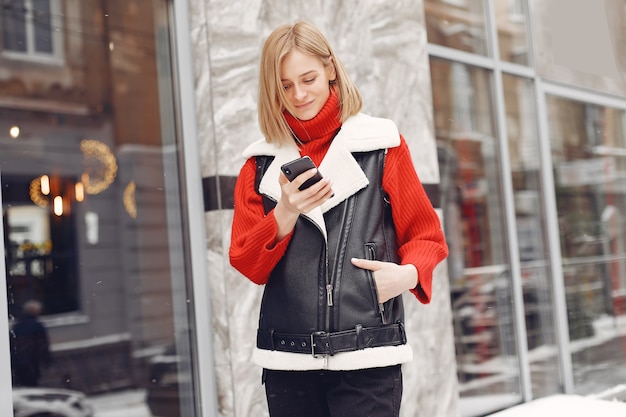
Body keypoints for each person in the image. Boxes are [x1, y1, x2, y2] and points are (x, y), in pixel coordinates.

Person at [229, 20, 448, 417]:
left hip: (368, 354)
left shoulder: (382, 145)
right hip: (289, 361)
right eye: (284, 85)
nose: (298, 94)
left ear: (331, 69)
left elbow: (427, 236)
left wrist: (406, 275)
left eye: (308, 78)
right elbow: (247, 261)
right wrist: (285, 211)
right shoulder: (259, 164)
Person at [10, 299, 52, 387]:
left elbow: (13, 343)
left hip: (18, 361)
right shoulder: (37, 326)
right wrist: (47, 360)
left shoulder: (17, 326)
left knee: (21, 383)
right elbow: (42, 345)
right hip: (32, 360)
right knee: (32, 383)